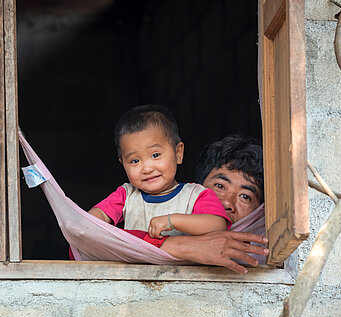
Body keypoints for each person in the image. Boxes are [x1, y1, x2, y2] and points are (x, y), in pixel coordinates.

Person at [88, 105, 232, 246]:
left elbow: (217, 226)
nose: (147, 168)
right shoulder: (126, 195)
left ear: (178, 153)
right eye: (134, 161)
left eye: (155, 155)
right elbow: (93, 219)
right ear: (123, 164)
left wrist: (173, 221)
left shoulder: (196, 195)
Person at [160, 134, 268, 274]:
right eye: (220, 186)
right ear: (195, 188)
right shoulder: (163, 222)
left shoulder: (268, 256)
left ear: (259, 212)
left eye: (244, 196)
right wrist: (190, 247)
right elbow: (125, 243)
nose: (227, 203)